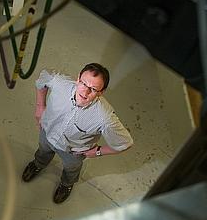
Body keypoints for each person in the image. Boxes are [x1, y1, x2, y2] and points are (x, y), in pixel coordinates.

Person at [22, 63, 133, 203]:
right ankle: (38, 164)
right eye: (83, 83)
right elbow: (43, 79)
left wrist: (96, 151)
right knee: (43, 151)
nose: (85, 92)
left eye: (93, 89)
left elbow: (125, 142)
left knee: (71, 169)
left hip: (73, 151)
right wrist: (40, 106)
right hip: (47, 132)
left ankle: (66, 184)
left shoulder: (104, 117)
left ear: (101, 92)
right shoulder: (59, 83)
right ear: (78, 78)